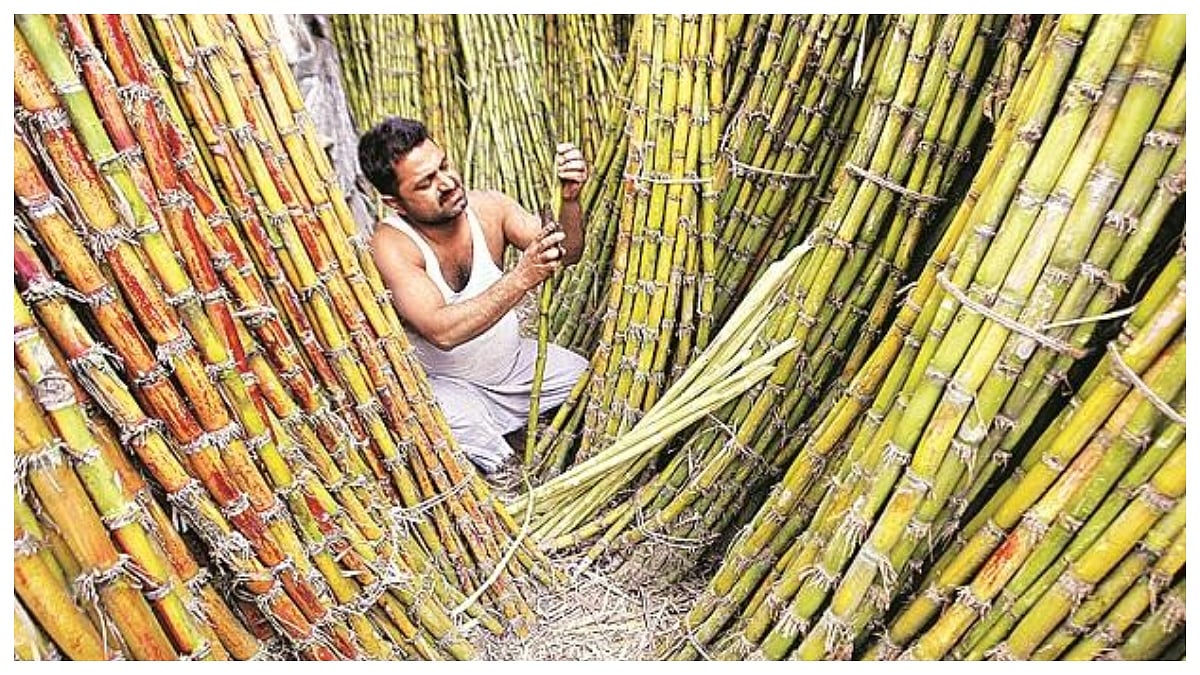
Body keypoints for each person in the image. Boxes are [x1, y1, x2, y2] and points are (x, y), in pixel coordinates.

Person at [357, 116, 589, 480]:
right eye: (426, 183)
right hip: (451, 390)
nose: (447, 183)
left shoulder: (489, 208)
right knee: (467, 432)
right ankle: (503, 468)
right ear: (395, 202)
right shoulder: (392, 245)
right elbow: (441, 331)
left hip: (514, 369)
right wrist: (522, 278)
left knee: (583, 377)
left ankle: (513, 436)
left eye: (444, 165)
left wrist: (570, 201)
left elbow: (567, 252)